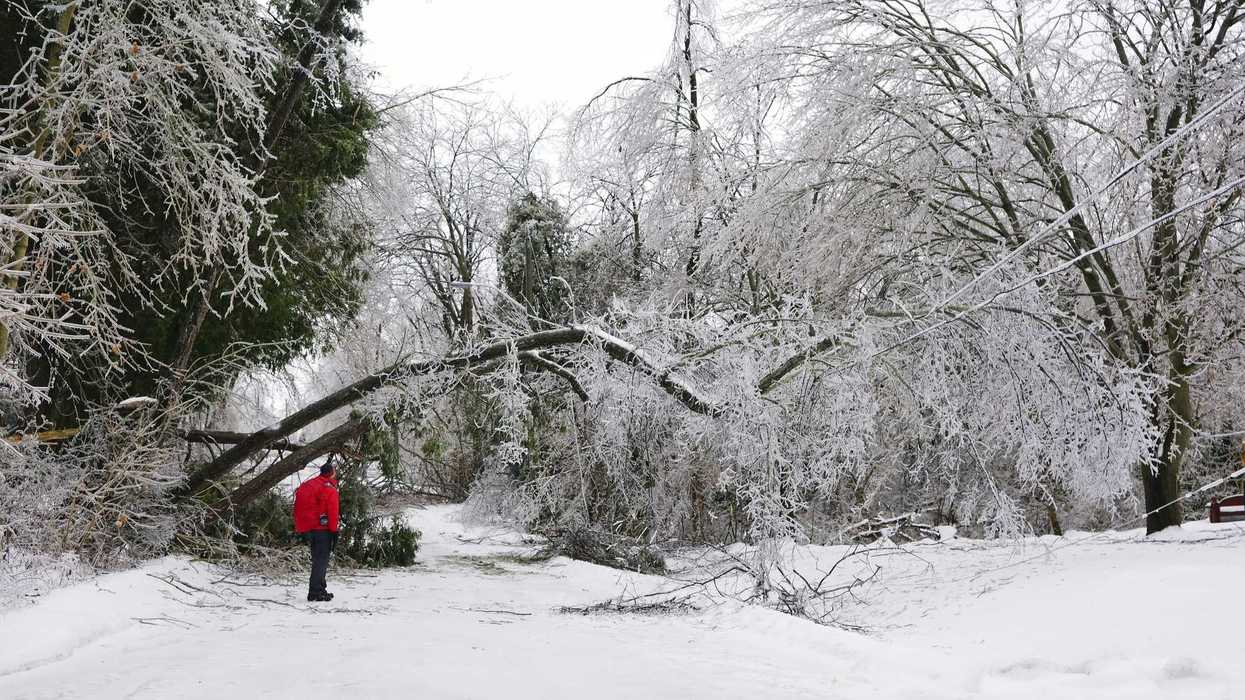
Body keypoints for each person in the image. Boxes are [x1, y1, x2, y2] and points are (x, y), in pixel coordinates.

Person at [293, 463, 340, 602]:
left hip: (310, 528)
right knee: (321, 561)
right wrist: (334, 530)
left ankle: (320, 588)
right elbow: (332, 512)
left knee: (317, 559)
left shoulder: (310, 484)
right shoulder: (329, 489)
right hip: (323, 530)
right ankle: (316, 592)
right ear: (331, 473)